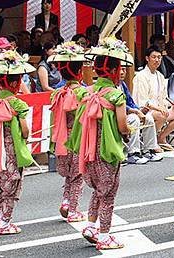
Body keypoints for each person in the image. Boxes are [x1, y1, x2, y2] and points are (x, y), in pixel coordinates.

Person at [66, 37, 131, 250]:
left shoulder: (88, 91)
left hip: (88, 150)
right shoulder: (115, 94)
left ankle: (91, 226)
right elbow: (122, 125)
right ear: (113, 71)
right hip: (107, 151)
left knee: (97, 190)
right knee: (108, 193)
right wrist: (128, 132)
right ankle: (104, 235)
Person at [0, 49, 35, 235]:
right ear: (14, 82)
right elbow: (25, 130)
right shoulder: (17, 104)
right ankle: (5, 222)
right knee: (12, 186)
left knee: (0, 187)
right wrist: (25, 136)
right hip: (11, 152)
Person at [47, 42, 89, 223]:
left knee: (69, 173)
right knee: (78, 174)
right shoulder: (82, 93)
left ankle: (65, 201)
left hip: (62, 138)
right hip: (77, 137)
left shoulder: (57, 93)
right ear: (79, 71)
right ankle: (73, 209)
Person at [132, 46, 174, 147]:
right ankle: (151, 142)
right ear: (147, 58)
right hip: (145, 110)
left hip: (159, 109)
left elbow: (164, 97)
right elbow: (142, 101)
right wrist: (158, 108)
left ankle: (161, 138)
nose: (157, 60)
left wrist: (173, 104)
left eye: (159, 57)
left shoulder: (160, 75)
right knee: (161, 115)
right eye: (154, 57)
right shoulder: (141, 76)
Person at [119, 66, 162, 163]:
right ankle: (133, 153)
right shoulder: (111, 86)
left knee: (148, 117)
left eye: (124, 70)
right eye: (120, 69)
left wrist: (140, 110)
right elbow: (117, 105)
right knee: (134, 119)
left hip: (127, 113)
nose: (122, 72)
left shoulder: (123, 84)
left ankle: (149, 150)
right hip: (118, 116)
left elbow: (130, 102)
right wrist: (135, 112)